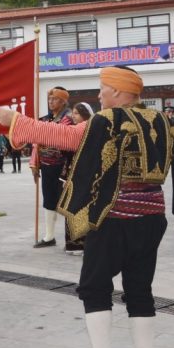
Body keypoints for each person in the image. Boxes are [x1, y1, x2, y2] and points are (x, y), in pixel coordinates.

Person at [0, 66, 174, 348]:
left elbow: (66, 137)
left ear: (117, 90)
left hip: (114, 217)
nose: (99, 96)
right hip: (152, 216)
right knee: (140, 290)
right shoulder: (163, 120)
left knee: (94, 288)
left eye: (102, 89)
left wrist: (15, 119)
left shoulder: (107, 120)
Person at [30, 87, 74, 248]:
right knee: (49, 200)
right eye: (49, 99)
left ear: (63, 102)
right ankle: (49, 236)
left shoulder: (68, 118)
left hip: (63, 168)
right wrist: (34, 163)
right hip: (47, 167)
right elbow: (36, 143)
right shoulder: (45, 119)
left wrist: (41, 129)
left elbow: (59, 135)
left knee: (66, 202)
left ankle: (74, 238)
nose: (51, 102)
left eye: (54, 99)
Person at [63, 102, 94, 255]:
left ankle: (84, 244)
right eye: (73, 113)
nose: (73, 116)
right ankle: (72, 244)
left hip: (85, 176)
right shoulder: (71, 131)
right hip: (71, 175)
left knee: (82, 209)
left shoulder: (90, 132)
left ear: (84, 115)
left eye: (76, 113)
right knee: (71, 208)